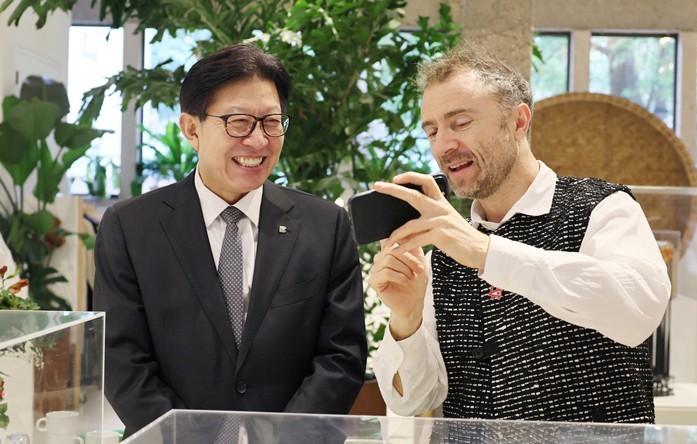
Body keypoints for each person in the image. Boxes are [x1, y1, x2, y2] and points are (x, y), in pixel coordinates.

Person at [368, 42, 671, 424]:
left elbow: (641, 309)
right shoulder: (439, 260)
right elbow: (411, 401)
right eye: (432, 131)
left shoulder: (603, 208)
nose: (444, 145)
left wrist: (486, 252)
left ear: (518, 122)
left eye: (460, 123)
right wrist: (407, 316)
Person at [93, 44, 367, 436]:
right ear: (192, 129)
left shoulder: (326, 226)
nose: (258, 141)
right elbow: (121, 359)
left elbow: (341, 357)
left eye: (271, 122)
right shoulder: (131, 227)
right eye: (239, 122)